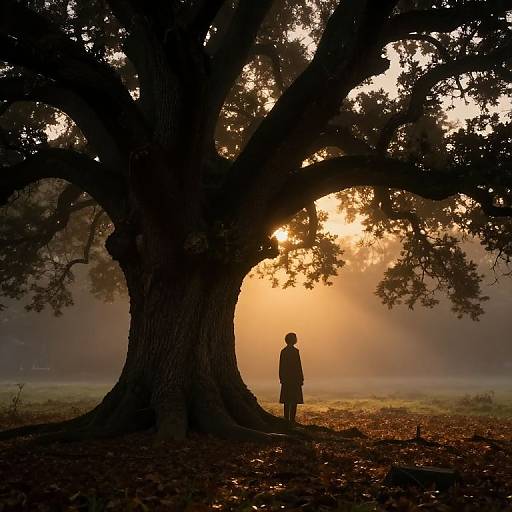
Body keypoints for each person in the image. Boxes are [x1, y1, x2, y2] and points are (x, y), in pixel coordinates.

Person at [279, 332, 304, 423]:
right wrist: (301, 378)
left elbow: (281, 366)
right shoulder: (295, 352)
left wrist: (281, 378)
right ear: (293, 340)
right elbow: (298, 366)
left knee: (286, 400)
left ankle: (286, 419)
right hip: (294, 379)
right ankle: (292, 419)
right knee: (294, 400)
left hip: (286, 379)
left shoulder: (283, 351)